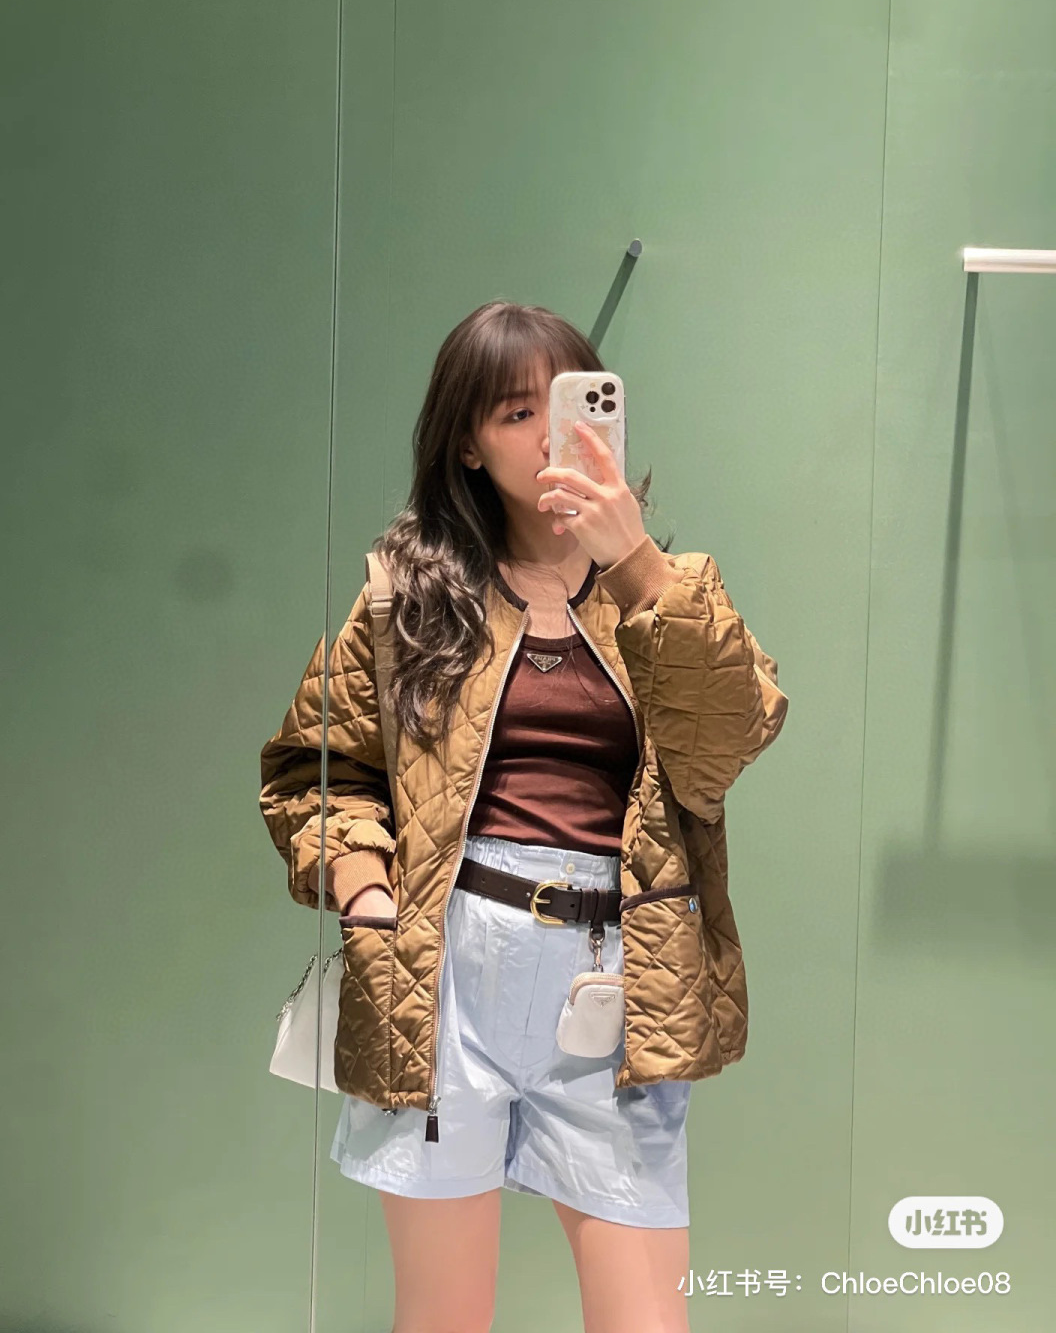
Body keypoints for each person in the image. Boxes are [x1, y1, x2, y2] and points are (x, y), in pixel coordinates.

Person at [259, 300, 789, 1333]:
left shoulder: (662, 592)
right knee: (443, 1317)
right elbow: (314, 771)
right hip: (443, 972)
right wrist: (366, 898)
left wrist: (637, 563)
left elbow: (737, 731)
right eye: (516, 412)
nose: (552, 433)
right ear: (468, 444)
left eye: (571, 401)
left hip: (617, 977)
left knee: (648, 1320)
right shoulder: (409, 598)